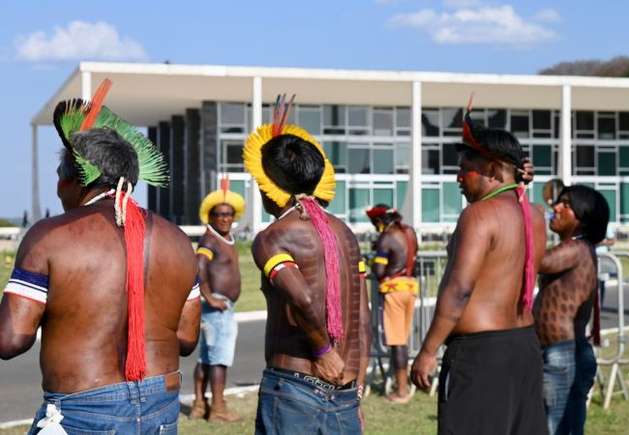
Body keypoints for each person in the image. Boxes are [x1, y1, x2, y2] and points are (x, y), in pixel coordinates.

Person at [0, 81, 201, 433]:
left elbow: (10, 339)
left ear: (77, 179)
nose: (58, 188)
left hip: (83, 412)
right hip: (161, 411)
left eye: (61, 177)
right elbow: (186, 340)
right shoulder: (180, 242)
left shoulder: (50, 237)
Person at [410, 100, 548, 435]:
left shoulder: (478, 215)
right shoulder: (535, 214)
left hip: (481, 354)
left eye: (465, 167)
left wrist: (428, 351)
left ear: (492, 169)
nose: (458, 176)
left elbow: (459, 290)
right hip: (524, 347)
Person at [244, 96, 371, 434]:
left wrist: (324, 350)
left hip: (293, 388)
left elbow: (302, 299)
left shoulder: (272, 237)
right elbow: (362, 318)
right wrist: (355, 386)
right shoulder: (346, 233)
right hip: (344, 389)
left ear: (267, 188)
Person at [536, 185, 609, 435]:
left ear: (583, 218)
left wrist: (531, 219)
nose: (555, 208)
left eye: (566, 205)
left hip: (562, 355)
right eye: (558, 202)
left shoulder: (576, 248)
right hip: (561, 353)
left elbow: (538, 261)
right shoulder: (576, 248)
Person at [190, 179, 246, 422]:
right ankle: (218, 408)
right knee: (219, 359)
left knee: (207, 358)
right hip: (217, 307)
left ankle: (200, 405)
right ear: (210, 216)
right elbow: (199, 264)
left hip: (222, 306)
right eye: (219, 214)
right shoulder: (210, 239)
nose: (224, 218)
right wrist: (209, 296)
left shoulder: (226, 238)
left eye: (228, 214)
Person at [366, 204, 419, 404]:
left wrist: (374, 260)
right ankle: (402, 385)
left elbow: (379, 271)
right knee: (402, 339)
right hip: (410, 288)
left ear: (380, 221)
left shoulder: (386, 237)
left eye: (375, 223)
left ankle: (402, 391)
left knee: (397, 343)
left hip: (394, 291)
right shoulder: (409, 232)